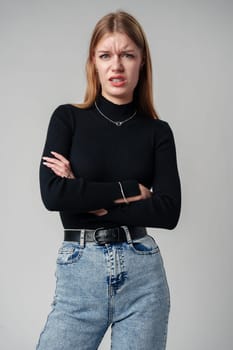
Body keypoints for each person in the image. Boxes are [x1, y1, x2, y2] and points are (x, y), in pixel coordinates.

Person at [36, 10, 181, 350]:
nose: (117, 65)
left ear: (142, 62)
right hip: (80, 270)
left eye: (127, 54)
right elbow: (54, 195)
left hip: (143, 273)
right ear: (94, 63)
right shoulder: (67, 118)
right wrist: (131, 191)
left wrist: (85, 196)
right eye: (106, 55)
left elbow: (169, 212)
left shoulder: (157, 132)